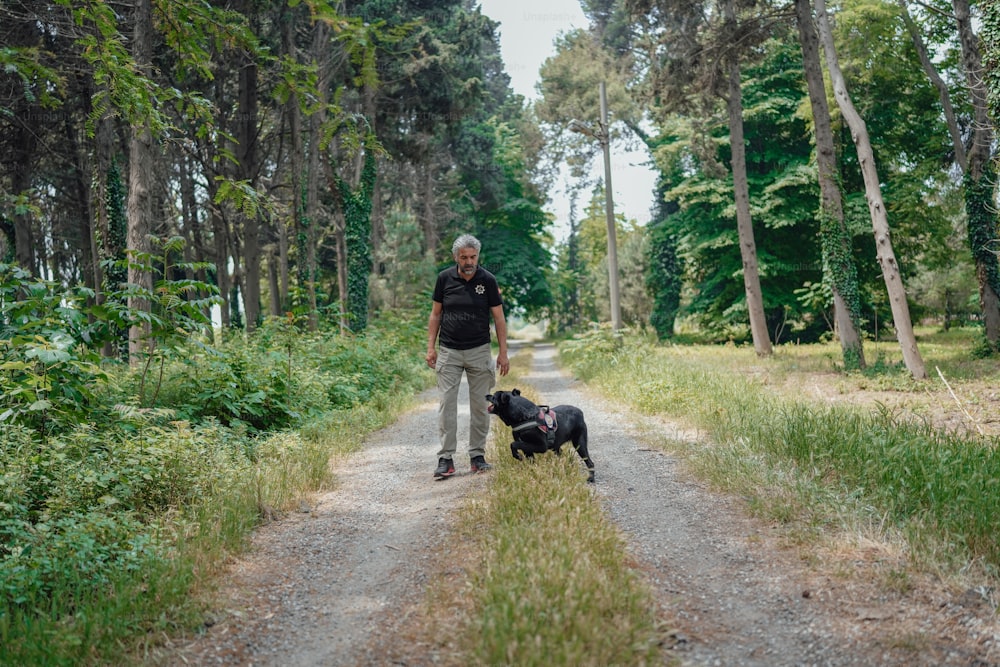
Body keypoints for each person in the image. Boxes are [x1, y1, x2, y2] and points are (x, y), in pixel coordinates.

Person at [426, 234, 510, 478]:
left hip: (479, 351)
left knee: (481, 406)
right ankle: (445, 459)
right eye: (464, 257)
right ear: (456, 257)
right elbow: (435, 315)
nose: (469, 261)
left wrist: (503, 352)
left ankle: (477, 456)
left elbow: (499, 318)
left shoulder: (488, 280)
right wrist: (431, 347)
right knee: (446, 405)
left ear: (478, 256)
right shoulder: (444, 279)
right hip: (449, 351)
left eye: (473, 257)